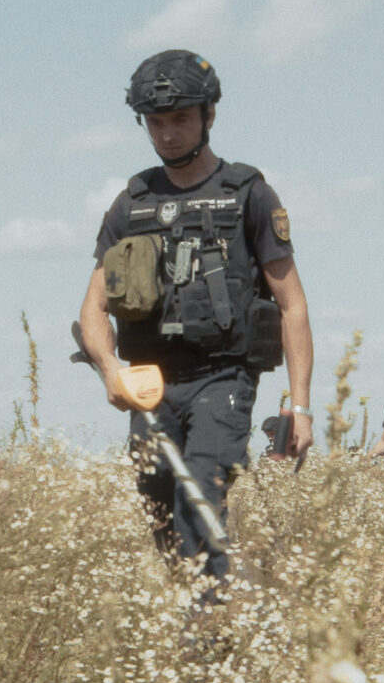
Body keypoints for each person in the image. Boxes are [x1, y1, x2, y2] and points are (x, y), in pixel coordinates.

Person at [78, 50, 313, 582]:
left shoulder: (248, 194)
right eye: (155, 122)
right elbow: (92, 308)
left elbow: (292, 304)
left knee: (199, 496)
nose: (168, 134)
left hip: (222, 376)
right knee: (159, 502)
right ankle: (207, 592)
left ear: (209, 114)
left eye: (181, 118)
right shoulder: (131, 204)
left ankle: (209, 622)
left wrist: (300, 407)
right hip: (151, 382)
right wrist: (110, 370)